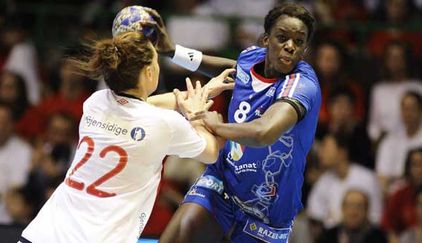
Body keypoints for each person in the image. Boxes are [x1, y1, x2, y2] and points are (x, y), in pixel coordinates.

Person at [19, 31, 233, 243]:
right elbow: (212, 152)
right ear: (149, 72)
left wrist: (201, 92)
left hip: (43, 233)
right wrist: (196, 115)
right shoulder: (165, 124)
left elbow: (139, 105)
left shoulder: (96, 102)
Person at [147, 3, 321, 242]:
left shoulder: (302, 86)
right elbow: (229, 67)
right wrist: (171, 51)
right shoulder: (251, 58)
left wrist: (216, 126)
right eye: (282, 38)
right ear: (266, 39)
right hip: (224, 183)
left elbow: (264, 132)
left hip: (266, 210)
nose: (290, 46)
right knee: (182, 231)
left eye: (298, 42)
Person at [307, 132, 382, 228]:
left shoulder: (367, 178)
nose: (321, 153)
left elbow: (375, 218)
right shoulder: (323, 181)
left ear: (342, 152)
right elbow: (314, 216)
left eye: (326, 148)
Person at [317, 189, 388, 243]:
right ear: (343, 209)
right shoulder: (329, 236)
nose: (353, 212)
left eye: (359, 206)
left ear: (366, 211)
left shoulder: (378, 237)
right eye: (349, 206)